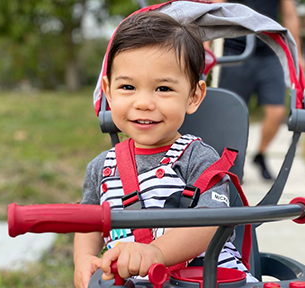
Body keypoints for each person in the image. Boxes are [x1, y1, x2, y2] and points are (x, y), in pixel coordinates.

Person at [73, 11, 257, 288]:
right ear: (108, 92)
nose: (144, 102)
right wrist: (84, 257)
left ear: (193, 96)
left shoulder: (198, 158)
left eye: (162, 88)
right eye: (128, 87)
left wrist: (157, 252)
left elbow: (212, 223)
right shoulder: (102, 168)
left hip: (208, 279)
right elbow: (89, 222)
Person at [210, 0, 305, 180]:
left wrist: (297, 54)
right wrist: (206, 45)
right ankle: (233, 162)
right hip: (235, 51)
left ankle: (260, 154)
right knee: (232, 113)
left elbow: (290, 15)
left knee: (277, 112)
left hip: (269, 51)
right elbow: (214, 8)